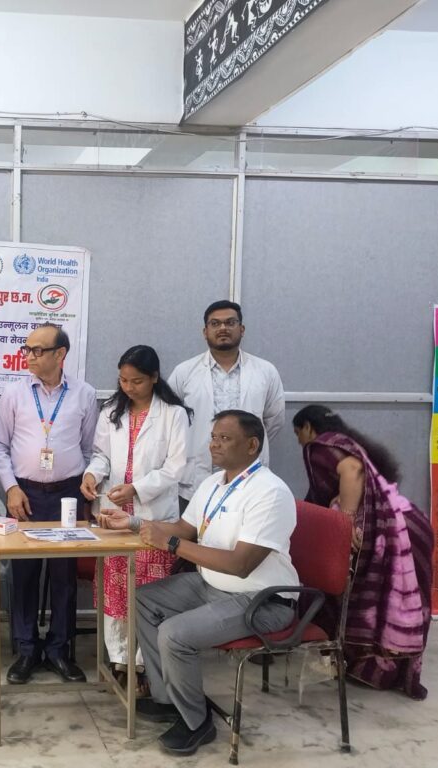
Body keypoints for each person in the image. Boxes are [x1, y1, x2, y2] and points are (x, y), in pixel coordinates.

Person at [98, 410, 299, 757]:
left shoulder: (270, 492)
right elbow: (184, 529)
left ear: (252, 445)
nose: (214, 445)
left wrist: (171, 544)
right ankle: (168, 699)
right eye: (213, 437)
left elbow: (240, 565)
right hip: (212, 587)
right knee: (144, 598)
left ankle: (197, 722)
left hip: (261, 599)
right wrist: (133, 523)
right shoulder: (214, 483)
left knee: (175, 633)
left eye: (225, 438)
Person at [293, 404, 433, 699]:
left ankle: (373, 668)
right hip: (409, 524)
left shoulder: (320, 445)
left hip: (389, 533)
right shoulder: (349, 442)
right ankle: (383, 669)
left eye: (298, 433)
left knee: (362, 595)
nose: (299, 441)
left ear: (307, 427)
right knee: (390, 599)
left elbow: (352, 470)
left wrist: (345, 522)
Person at [0, 322, 98, 685]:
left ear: (60, 354)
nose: (29, 356)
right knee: (24, 574)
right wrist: (10, 488)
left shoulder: (84, 394)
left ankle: (59, 650)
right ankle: (26, 649)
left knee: (64, 576)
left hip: (67, 494)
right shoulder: (14, 393)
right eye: (27, 349)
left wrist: (83, 483)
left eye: (37, 350)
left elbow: (89, 449)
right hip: (25, 495)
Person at [81, 345, 190, 695]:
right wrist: (92, 474)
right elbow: (101, 454)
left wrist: (137, 489)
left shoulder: (173, 414)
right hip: (114, 513)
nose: (128, 387)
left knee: (148, 592)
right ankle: (120, 660)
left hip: (152, 516)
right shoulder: (112, 410)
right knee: (116, 590)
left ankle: (144, 664)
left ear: (155, 378)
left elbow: (175, 467)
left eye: (137, 381)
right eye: (123, 380)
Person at [168, 300, 285, 513]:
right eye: (215, 323)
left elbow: (273, 420)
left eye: (230, 322)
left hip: (248, 473)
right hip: (197, 477)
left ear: (242, 329)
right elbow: (171, 421)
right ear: (205, 331)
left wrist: (244, 446)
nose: (223, 328)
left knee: (244, 530)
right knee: (193, 531)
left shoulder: (265, 371)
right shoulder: (184, 372)